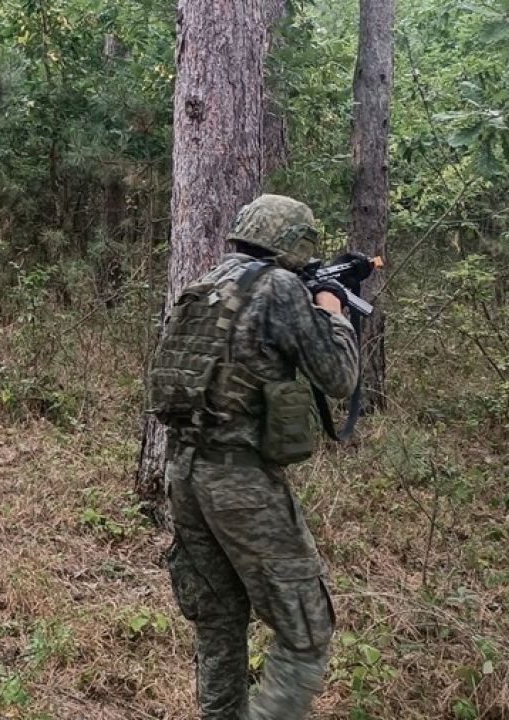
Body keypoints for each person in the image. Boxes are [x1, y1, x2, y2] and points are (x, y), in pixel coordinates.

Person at [147, 194, 360, 720]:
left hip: (185, 474)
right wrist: (333, 311)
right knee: (305, 628)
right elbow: (339, 377)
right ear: (293, 244)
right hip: (239, 483)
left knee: (220, 621)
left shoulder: (204, 286)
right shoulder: (281, 287)